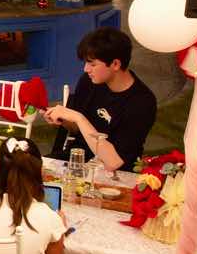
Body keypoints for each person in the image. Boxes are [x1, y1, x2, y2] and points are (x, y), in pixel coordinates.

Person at [45, 27, 157, 171]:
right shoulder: (89, 81)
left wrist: (78, 118)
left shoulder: (142, 102)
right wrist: (62, 119)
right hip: (78, 159)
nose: (86, 69)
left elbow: (114, 162)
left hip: (116, 172)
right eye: (86, 63)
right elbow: (76, 129)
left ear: (116, 64)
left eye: (92, 64)